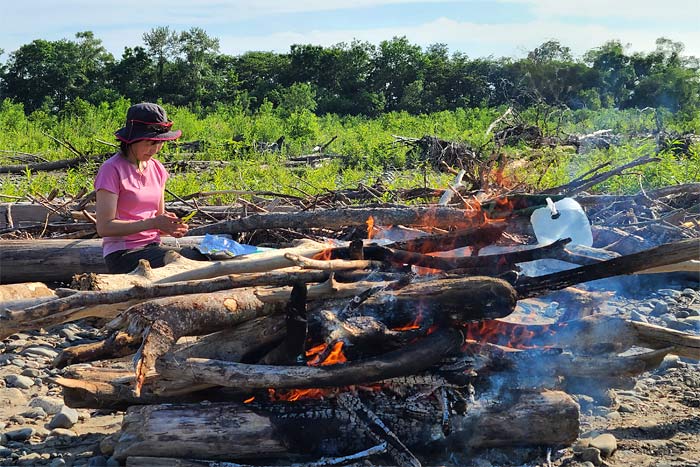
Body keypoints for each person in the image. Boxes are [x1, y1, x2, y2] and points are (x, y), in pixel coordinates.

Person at [94, 102, 207, 273]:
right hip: (124, 254)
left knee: (204, 255)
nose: (155, 149)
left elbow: (157, 221)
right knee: (191, 260)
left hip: (153, 247)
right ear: (132, 140)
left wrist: (171, 227)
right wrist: (153, 222)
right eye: (150, 143)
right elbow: (104, 227)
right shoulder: (111, 169)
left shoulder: (157, 168)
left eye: (159, 143)